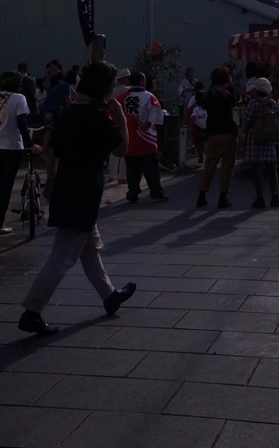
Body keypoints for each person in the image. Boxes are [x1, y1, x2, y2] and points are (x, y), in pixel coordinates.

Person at [18, 61, 135, 337]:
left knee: (90, 249)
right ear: (103, 87)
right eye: (111, 84)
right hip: (84, 192)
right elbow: (121, 150)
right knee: (61, 257)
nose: (113, 89)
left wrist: (50, 182)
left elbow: (53, 151)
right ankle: (32, 312)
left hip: (66, 186)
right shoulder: (97, 115)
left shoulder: (71, 111)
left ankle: (109, 295)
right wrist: (121, 117)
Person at [0, 73, 42, 236]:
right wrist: (31, 145)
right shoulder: (19, 99)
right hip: (12, 148)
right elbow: (22, 124)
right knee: (6, 187)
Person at [119, 71, 169, 204]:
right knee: (152, 171)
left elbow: (114, 114)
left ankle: (132, 193)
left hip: (129, 139)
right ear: (142, 81)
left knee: (132, 171)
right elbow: (157, 113)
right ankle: (156, 193)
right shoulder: (149, 97)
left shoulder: (122, 97)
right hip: (147, 140)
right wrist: (148, 123)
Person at [240, 77, 279, 209]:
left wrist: (244, 134)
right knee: (272, 169)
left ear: (257, 90)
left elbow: (246, 121)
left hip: (254, 139)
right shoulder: (273, 103)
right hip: (269, 140)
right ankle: (275, 196)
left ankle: (260, 198)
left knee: (257, 171)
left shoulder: (253, 103)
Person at [195, 66, 239, 209]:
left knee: (209, 167)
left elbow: (203, 99)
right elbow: (234, 101)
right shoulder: (229, 95)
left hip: (213, 135)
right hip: (229, 134)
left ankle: (202, 196)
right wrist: (230, 86)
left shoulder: (207, 96)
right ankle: (223, 198)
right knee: (227, 168)